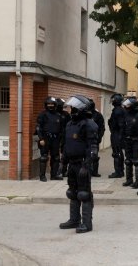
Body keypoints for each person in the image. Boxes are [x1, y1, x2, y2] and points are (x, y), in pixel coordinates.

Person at [59, 95, 98, 233]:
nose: (71, 109)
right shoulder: (70, 124)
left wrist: (87, 166)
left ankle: (87, 224)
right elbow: (66, 145)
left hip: (82, 163)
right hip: (72, 163)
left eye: (73, 107)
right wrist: (63, 163)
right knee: (72, 192)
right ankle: (74, 220)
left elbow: (93, 147)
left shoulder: (89, 124)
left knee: (84, 194)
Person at [35, 96, 64, 182]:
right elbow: (38, 127)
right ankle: (42, 176)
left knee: (56, 158)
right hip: (45, 138)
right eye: (49, 104)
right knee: (44, 157)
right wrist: (41, 139)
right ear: (46, 105)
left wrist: (61, 140)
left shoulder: (58, 116)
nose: (50, 105)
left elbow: (62, 129)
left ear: (55, 105)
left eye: (52, 104)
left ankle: (54, 175)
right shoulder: (42, 114)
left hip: (55, 139)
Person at [122, 97, 138, 188]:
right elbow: (124, 127)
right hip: (128, 140)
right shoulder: (126, 114)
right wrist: (123, 138)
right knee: (128, 161)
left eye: (128, 105)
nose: (126, 106)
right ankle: (129, 179)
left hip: (136, 140)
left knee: (136, 161)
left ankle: (137, 182)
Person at [108, 93, 126, 179]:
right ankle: (121, 170)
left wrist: (119, 136)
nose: (112, 102)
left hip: (117, 133)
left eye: (113, 100)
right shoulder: (120, 109)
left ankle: (118, 172)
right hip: (118, 133)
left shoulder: (117, 111)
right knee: (119, 153)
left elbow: (120, 124)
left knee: (116, 153)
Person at [88, 98, 105, 177]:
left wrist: (99, 137)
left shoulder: (98, 115)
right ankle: (87, 170)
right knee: (86, 155)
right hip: (85, 138)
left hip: (94, 139)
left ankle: (94, 171)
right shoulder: (83, 114)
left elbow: (102, 127)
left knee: (94, 155)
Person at [56, 98, 71, 177]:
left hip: (65, 136)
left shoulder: (66, 114)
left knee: (65, 154)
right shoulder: (53, 114)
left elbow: (70, 124)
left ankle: (64, 170)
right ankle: (56, 171)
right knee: (55, 155)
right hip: (56, 137)